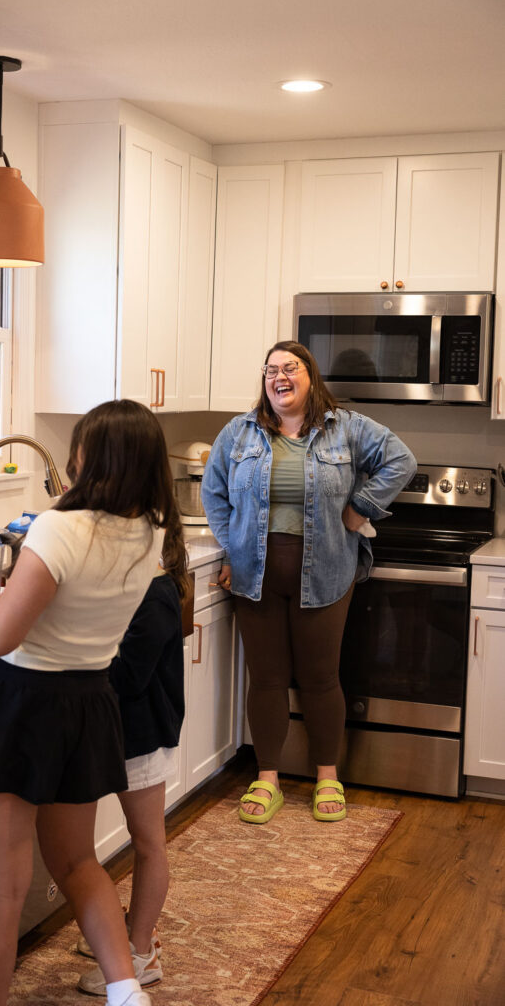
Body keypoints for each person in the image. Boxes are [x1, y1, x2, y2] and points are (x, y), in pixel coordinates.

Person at [0, 399, 179, 1006]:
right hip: (87, 704)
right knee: (79, 863)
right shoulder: (148, 531)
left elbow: (2, 634)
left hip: (22, 703)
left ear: (92, 457)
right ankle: (125, 989)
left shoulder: (62, 527)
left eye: (79, 448)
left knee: (2, 890)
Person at [201, 340, 416, 825]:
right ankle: (268, 778)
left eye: (290, 368)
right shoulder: (239, 433)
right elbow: (213, 493)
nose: (280, 377)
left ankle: (327, 778)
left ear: (309, 376)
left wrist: (360, 507)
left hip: (326, 572)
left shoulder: (347, 428)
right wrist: (232, 550)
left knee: (320, 680)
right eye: (271, 369)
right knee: (267, 678)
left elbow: (401, 460)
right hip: (255, 575)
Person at [75, 522, 191, 995]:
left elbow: (128, 675)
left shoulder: (156, 595)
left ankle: (140, 954)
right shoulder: (140, 586)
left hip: (142, 734)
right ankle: (127, 935)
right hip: (123, 731)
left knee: (147, 843)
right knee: (142, 841)